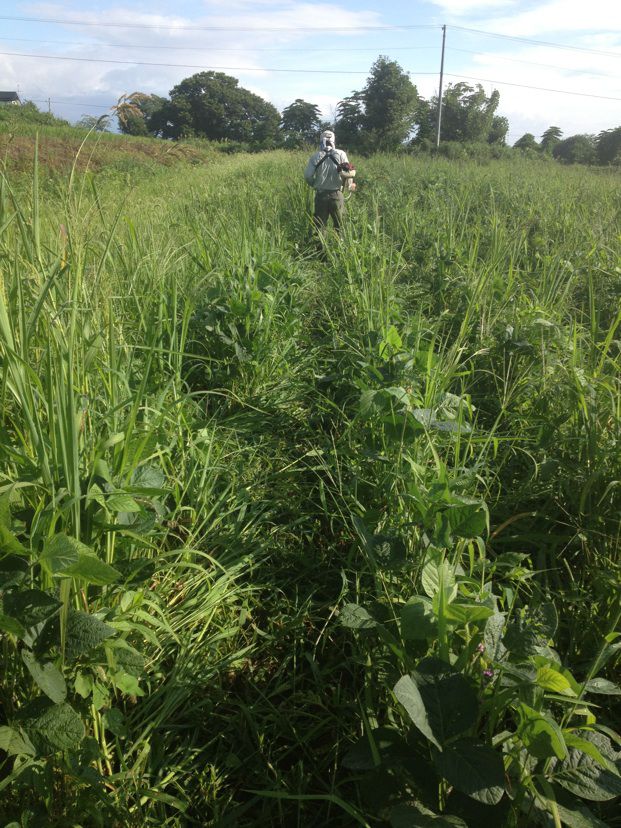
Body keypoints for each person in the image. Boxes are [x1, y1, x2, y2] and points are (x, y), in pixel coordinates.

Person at [304, 130, 355, 235]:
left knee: (320, 226)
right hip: (337, 194)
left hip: (321, 195)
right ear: (333, 140)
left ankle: (320, 249)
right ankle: (339, 247)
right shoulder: (341, 154)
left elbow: (308, 176)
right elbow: (348, 172)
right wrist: (350, 185)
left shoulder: (315, 156)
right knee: (339, 225)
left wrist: (315, 184)